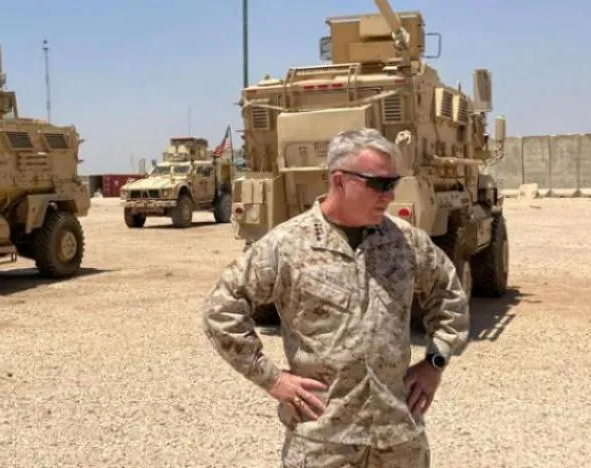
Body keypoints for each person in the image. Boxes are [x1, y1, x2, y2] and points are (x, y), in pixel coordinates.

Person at [200, 128, 470, 467]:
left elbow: (449, 297)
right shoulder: (288, 244)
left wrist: (435, 363)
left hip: (398, 440)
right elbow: (221, 310)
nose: (389, 195)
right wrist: (272, 378)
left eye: (393, 183)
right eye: (379, 183)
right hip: (324, 443)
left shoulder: (406, 241)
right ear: (339, 180)